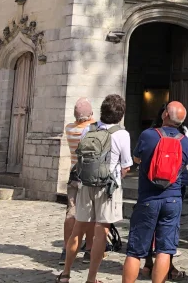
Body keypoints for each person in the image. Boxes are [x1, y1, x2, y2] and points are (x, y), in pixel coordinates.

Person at [58, 94, 133, 283]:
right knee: (101, 232)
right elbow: (126, 166)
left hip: (85, 185)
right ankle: (91, 278)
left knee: (78, 230)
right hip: (107, 188)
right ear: (121, 114)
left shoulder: (88, 129)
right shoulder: (122, 134)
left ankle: (66, 273)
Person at [122, 101, 188, 283]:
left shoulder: (148, 135)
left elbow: (136, 158)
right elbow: (184, 166)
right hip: (173, 199)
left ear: (165, 115)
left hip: (148, 197)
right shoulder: (185, 142)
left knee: (135, 251)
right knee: (165, 250)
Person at [61, 98, 98, 265]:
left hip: (74, 175)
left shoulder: (69, 128)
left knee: (71, 212)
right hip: (88, 176)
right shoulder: (92, 129)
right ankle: (89, 249)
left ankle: (66, 249)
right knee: (90, 214)